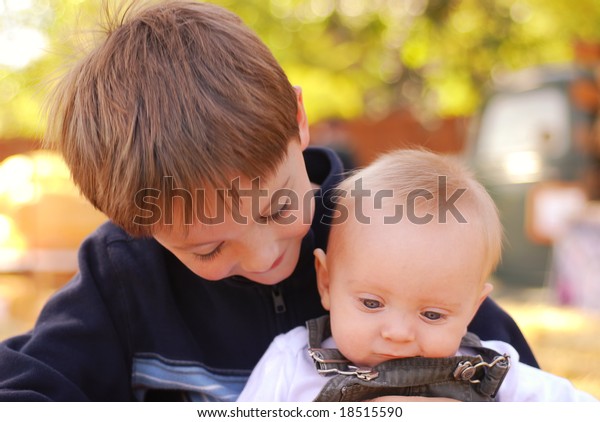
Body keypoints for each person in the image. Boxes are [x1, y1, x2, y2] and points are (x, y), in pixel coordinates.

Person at [0, 1, 536, 401]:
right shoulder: (124, 273)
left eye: (279, 208)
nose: (262, 260)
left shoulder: (398, 235)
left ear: (297, 119)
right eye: (208, 249)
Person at [237, 149, 597, 402]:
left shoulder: (494, 371)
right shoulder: (291, 364)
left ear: (473, 309)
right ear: (326, 283)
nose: (398, 334)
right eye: (372, 303)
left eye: (432, 315)